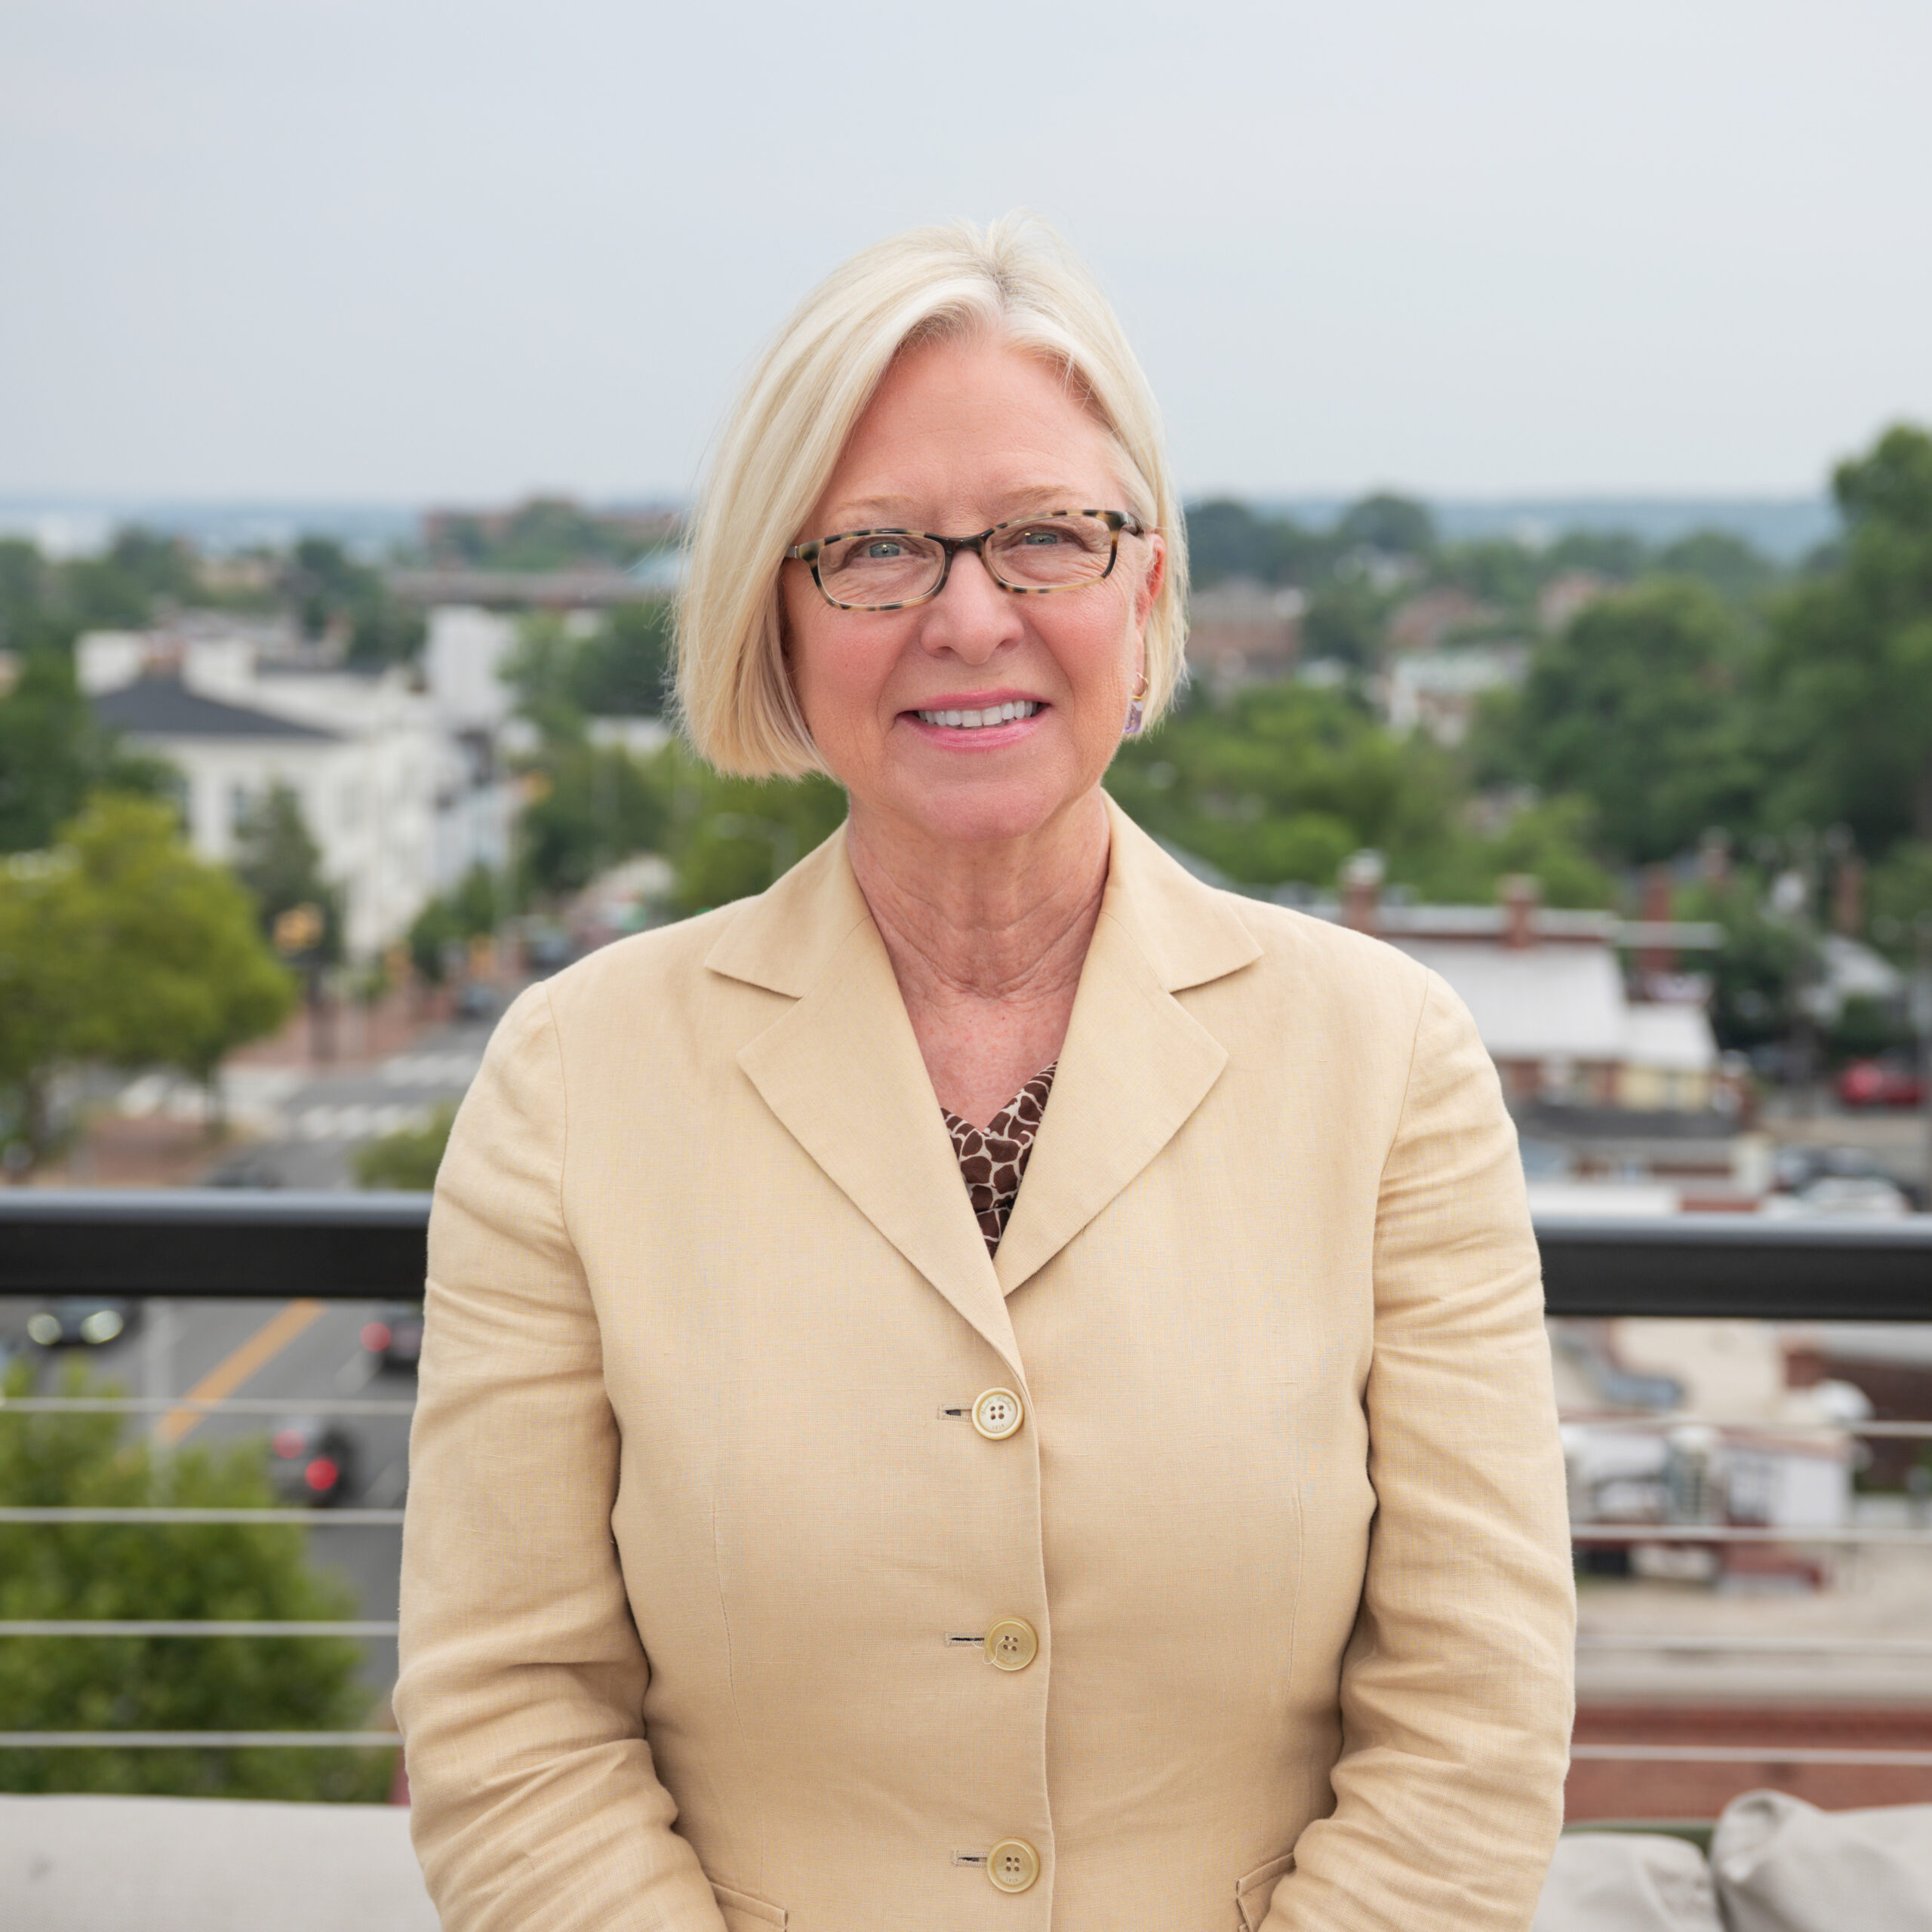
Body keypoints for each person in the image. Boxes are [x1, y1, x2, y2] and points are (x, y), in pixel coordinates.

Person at [395, 215, 1575, 1932]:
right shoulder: (572, 1081)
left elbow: (1475, 1707)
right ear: (771, 613)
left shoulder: (1386, 1059)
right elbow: (511, 1716)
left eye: (1041, 536)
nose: (969, 618)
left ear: (1144, 580)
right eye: (874, 550)